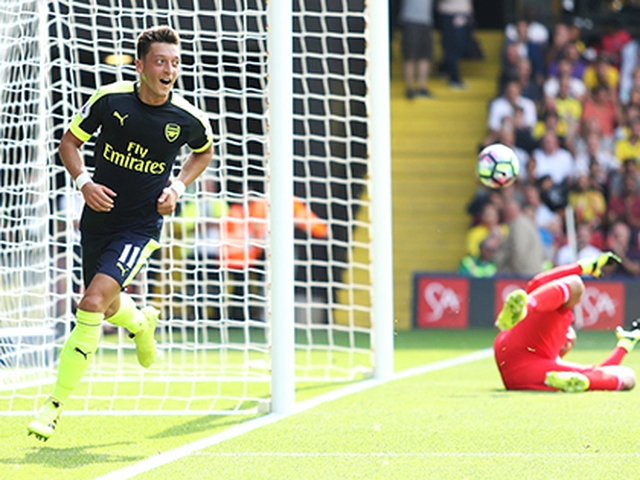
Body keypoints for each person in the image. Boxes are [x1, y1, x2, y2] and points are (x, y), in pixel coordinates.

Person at [27, 25, 214, 441]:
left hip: (140, 226)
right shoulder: (110, 101)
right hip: (97, 222)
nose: (169, 70)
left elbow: (204, 151)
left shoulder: (186, 117)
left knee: (91, 302)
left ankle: (53, 406)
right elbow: (69, 143)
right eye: (161, 61)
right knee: (108, 307)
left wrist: (178, 187)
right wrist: (84, 183)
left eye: (175, 62)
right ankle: (141, 324)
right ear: (141, 66)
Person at [494, 252, 640, 392]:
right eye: (570, 340)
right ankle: (525, 308)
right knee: (575, 284)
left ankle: (585, 382)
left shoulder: (553, 365)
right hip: (518, 348)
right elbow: (539, 282)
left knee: (628, 375)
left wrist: (625, 345)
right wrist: (584, 267)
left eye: (567, 346)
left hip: (527, 374)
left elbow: (600, 372)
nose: (568, 341)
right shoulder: (551, 315)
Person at [398, 0, 434, 99]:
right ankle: (409, 88)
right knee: (410, 56)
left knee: (425, 56)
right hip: (411, 20)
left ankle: (422, 87)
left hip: (426, 21)